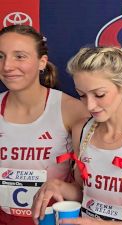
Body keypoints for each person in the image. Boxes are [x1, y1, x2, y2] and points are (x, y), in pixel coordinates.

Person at [32, 46, 122, 224]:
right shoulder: (81, 131)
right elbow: (84, 193)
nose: (90, 106)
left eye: (99, 94)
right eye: (82, 95)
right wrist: (57, 186)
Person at [0, 25, 89, 225]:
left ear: (42, 62)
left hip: (53, 220)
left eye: (19, 56)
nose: (7, 66)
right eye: (0, 56)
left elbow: (91, 191)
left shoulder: (71, 110)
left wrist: (58, 187)